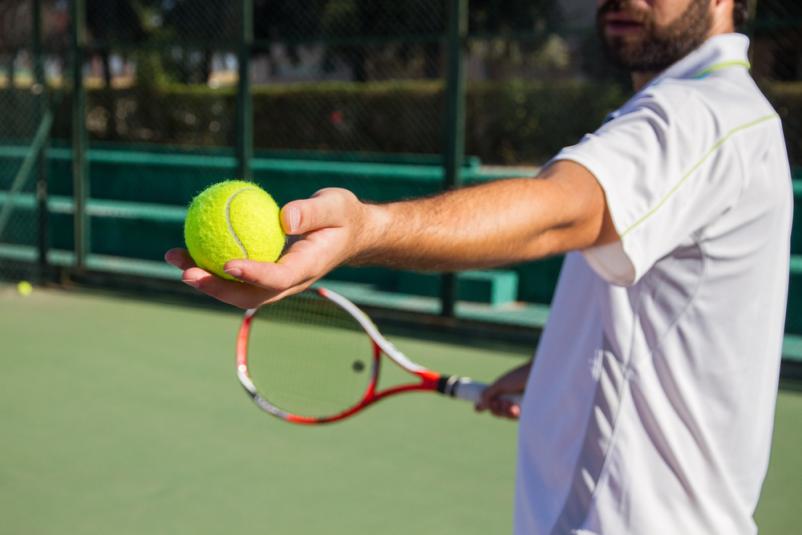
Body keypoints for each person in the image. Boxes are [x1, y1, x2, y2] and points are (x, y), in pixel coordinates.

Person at [166, 0, 793, 532]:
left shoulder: (699, 116)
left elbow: (559, 212)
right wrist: (564, 369)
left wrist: (366, 230)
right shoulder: (714, 116)